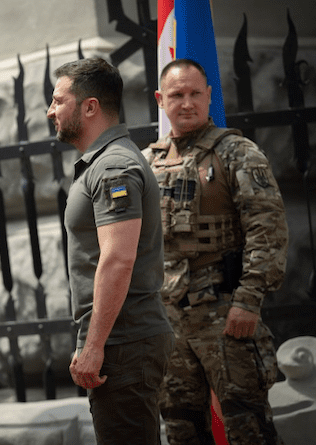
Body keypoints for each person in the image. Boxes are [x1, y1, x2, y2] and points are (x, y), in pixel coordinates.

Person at [145, 58, 287, 444]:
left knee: (248, 425)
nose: (186, 102)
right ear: (161, 99)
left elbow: (267, 231)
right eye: (177, 95)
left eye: (195, 94)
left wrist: (249, 299)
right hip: (168, 322)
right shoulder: (146, 164)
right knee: (179, 426)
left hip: (226, 313)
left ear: (209, 96)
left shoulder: (238, 153)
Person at [47, 57, 175, 444]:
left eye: (58, 100)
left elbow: (117, 259)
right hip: (124, 341)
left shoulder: (112, 168)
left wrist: (93, 346)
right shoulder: (102, 164)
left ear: (90, 107)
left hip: (124, 343)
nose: (50, 110)